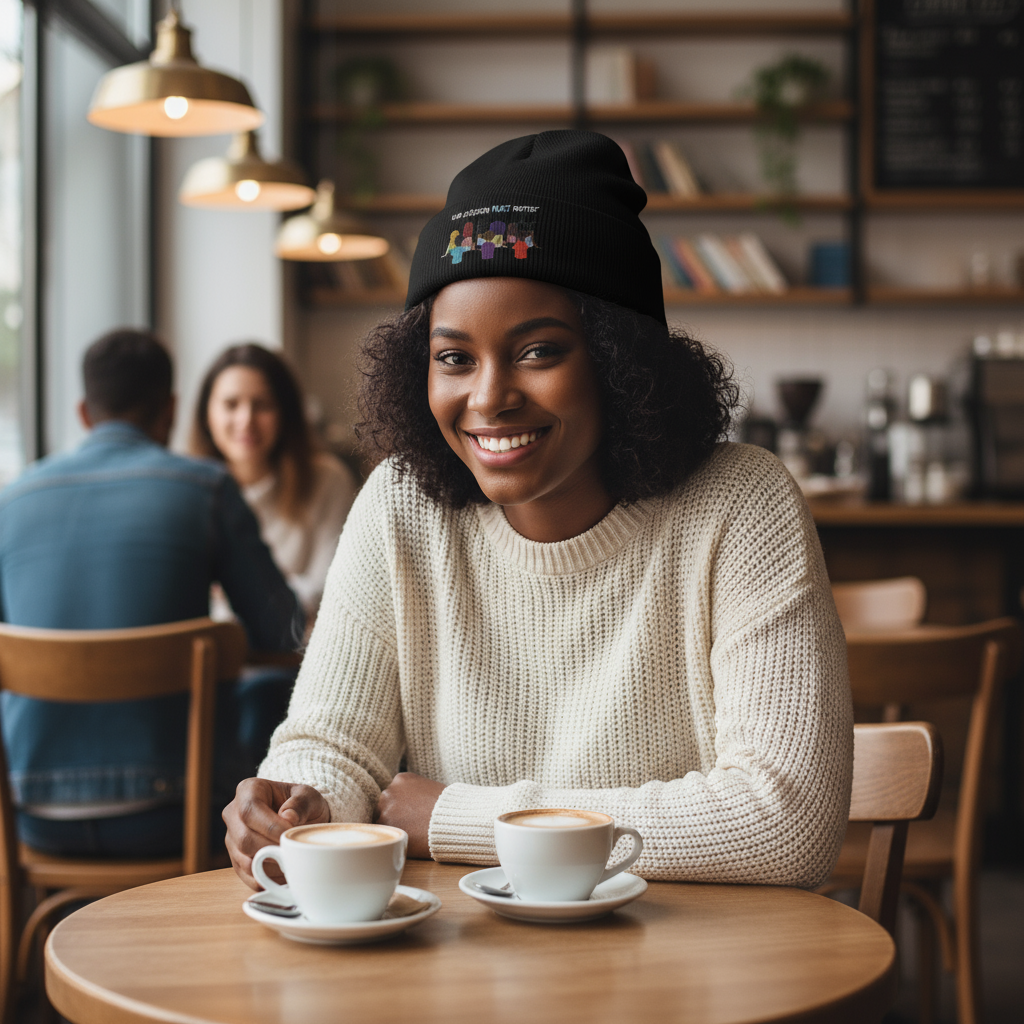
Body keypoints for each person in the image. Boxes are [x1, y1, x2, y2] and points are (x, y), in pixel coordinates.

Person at [224, 130, 852, 889]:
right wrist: (300, 801)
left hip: (692, 978)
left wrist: (461, 819)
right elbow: (334, 738)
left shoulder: (740, 503)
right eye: (454, 358)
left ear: (620, 362)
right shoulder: (400, 504)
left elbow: (784, 823)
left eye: (538, 351)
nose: (488, 399)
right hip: (468, 977)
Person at [0, 330, 303, 857]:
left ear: (83, 413)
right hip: (176, 812)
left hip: (31, 813)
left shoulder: (11, 501)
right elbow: (282, 631)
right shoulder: (206, 488)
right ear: (169, 409)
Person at [191, 344, 358, 619]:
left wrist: (234, 593)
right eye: (231, 405)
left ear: (286, 413)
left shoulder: (328, 480)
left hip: (295, 657)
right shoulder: (189, 490)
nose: (246, 420)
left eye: (262, 405)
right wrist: (281, 592)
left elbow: (330, 589)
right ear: (207, 415)